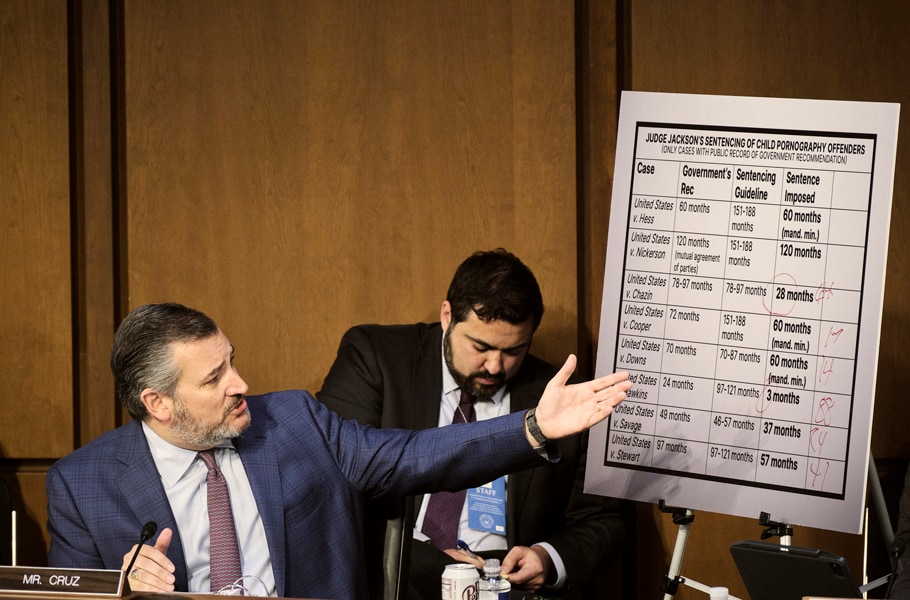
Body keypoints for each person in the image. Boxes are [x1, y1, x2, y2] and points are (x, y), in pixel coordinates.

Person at [45, 302, 631, 600]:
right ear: (159, 403)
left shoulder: (294, 421)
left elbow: (412, 455)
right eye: (213, 378)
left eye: (232, 361)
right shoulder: (83, 483)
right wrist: (115, 591)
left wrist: (533, 428)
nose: (240, 383)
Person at [318, 248, 627, 599]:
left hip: (506, 586)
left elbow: (603, 521)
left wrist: (549, 558)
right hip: (401, 576)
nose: (495, 366)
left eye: (513, 351)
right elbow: (332, 482)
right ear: (447, 316)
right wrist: (433, 564)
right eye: (480, 346)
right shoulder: (376, 358)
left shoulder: (560, 401)